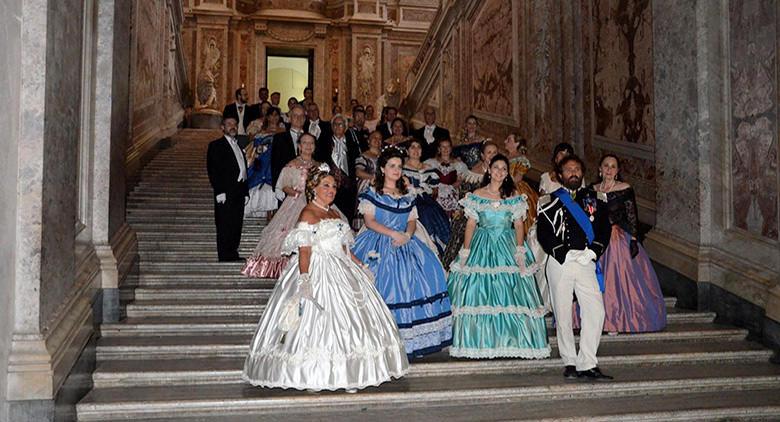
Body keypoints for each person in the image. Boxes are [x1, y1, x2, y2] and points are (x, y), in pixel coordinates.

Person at [242, 165, 409, 392]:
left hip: (341, 267)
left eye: (333, 186)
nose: (331, 190)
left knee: (353, 322)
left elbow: (344, 248)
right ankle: (315, 374)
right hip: (317, 268)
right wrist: (304, 280)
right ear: (313, 188)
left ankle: (350, 374)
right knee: (317, 323)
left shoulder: (333, 212)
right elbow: (305, 251)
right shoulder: (308, 213)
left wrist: (361, 266)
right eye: (326, 186)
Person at [352, 147, 453, 358]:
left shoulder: (407, 194)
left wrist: (407, 235)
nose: (396, 170)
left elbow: (411, 220)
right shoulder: (372, 194)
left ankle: (413, 339)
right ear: (382, 169)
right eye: (392, 166)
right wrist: (392, 234)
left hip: (406, 242)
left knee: (428, 271)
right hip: (378, 241)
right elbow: (369, 222)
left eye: (399, 166)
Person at [448, 154, 550, 359]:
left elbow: (519, 224)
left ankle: (512, 340)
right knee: (479, 291)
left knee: (511, 292)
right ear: (489, 169)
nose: (500, 172)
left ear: (507, 173)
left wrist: (520, 250)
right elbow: (470, 225)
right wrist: (466, 251)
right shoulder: (477, 194)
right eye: (496, 167)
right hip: (482, 244)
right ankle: (481, 340)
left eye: (504, 168)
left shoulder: (513, 195)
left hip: (506, 243)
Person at [537, 155, 613, 381]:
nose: (573, 172)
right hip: (560, 261)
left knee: (596, 311)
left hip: (585, 261)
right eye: (569, 169)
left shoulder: (596, 198)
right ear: (560, 175)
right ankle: (570, 361)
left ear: (582, 173)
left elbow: (604, 229)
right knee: (562, 314)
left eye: (577, 169)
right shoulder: (548, 201)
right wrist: (561, 252)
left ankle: (588, 362)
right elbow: (543, 233)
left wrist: (593, 251)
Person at [579, 154, 666, 333]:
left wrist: (634, 239)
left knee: (615, 281)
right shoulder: (591, 190)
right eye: (606, 165)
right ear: (600, 169)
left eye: (613, 166)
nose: (609, 169)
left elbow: (632, 215)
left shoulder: (624, 189)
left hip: (616, 239)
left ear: (617, 171)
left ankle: (615, 321)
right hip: (596, 240)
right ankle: (594, 319)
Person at [243, 134, 319, 278]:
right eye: (304, 143)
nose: (308, 146)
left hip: (315, 203)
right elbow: (283, 186)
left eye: (311, 143)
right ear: (299, 146)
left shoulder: (319, 166)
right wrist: (296, 193)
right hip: (296, 202)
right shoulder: (292, 165)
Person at [441, 141, 499, 270]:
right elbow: (464, 198)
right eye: (489, 152)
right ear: (482, 156)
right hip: (474, 214)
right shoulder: (473, 174)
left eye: (495, 152)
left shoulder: (501, 173)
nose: (492, 155)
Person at [207, 117, 249, 262]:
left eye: (235, 124)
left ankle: (233, 252)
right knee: (224, 223)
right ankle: (225, 254)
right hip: (225, 191)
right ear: (222, 127)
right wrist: (219, 191)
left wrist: (246, 192)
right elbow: (213, 170)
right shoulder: (216, 145)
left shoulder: (238, 146)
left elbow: (243, 169)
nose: (233, 127)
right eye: (229, 124)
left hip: (238, 191)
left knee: (236, 223)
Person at [403, 139, 451, 255]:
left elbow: (434, 191)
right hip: (408, 200)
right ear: (407, 151)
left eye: (418, 147)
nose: (416, 150)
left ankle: (438, 251)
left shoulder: (429, 168)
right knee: (423, 213)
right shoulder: (402, 168)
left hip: (427, 200)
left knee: (434, 213)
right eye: (412, 147)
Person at [314, 114, 360, 224]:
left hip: (348, 186)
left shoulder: (353, 143)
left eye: (340, 124)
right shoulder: (324, 142)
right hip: (330, 186)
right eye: (335, 124)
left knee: (347, 217)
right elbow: (318, 160)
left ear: (345, 127)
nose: (337, 127)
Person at [243, 112, 280, 219]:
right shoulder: (261, 133)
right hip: (263, 163)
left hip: (277, 163)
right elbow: (254, 150)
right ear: (267, 117)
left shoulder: (283, 132)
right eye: (272, 115)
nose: (274, 117)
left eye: (276, 115)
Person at [424, 138, 467, 217]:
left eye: (448, 146)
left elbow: (459, 181)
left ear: (451, 148)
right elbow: (426, 180)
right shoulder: (431, 162)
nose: (445, 149)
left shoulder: (459, 164)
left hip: (451, 193)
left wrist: (449, 188)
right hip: (436, 193)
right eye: (443, 147)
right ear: (439, 149)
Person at [271, 104, 306, 187]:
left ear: (305, 119)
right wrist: (278, 187)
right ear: (290, 118)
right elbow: (275, 165)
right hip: (286, 185)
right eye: (295, 115)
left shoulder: (311, 139)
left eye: (301, 116)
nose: (298, 118)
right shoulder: (279, 138)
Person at [353, 131, 383, 228]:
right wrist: (374, 178)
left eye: (379, 138)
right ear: (368, 141)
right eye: (374, 137)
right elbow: (358, 172)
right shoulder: (363, 156)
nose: (377, 140)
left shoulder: (384, 156)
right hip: (367, 189)